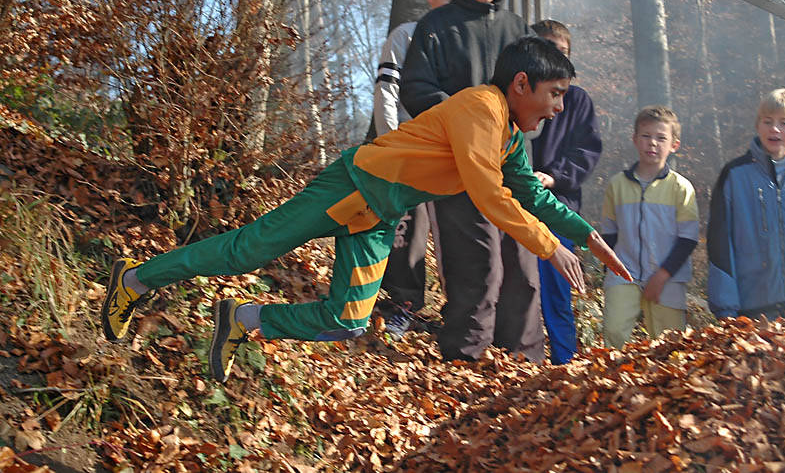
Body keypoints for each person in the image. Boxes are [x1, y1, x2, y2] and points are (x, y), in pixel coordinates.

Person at [101, 36, 632, 383]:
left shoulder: (512, 134)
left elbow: (530, 193)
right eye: (555, 94)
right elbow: (488, 194)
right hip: (354, 184)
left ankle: (242, 319)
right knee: (249, 250)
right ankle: (137, 279)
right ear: (521, 84)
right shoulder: (480, 107)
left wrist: (586, 237)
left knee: (348, 322)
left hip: (380, 213)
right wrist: (547, 244)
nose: (559, 107)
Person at [400, 0, 541, 362]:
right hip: (457, 168)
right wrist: (469, 121)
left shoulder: (519, 30)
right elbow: (415, 90)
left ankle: (524, 363)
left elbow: (538, 94)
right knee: (477, 268)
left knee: (523, 267)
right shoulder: (435, 27)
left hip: (511, 168)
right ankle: (466, 359)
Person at [369, 0, 458, 339]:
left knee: (457, 230)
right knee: (410, 224)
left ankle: (459, 312)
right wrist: (391, 142)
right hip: (408, 147)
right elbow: (387, 91)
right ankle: (401, 304)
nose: (454, 6)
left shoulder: (462, 43)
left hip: (453, 151)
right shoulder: (406, 35)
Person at [527, 20, 602, 364]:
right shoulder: (518, 92)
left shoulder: (578, 101)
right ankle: (519, 359)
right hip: (515, 206)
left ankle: (564, 362)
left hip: (558, 207)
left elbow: (587, 152)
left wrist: (554, 177)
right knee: (519, 288)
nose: (555, 57)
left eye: (563, 52)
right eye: (547, 48)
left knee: (557, 290)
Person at [600, 105, 698, 348]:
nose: (652, 143)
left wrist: (662, 275)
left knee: (669, 343)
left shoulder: (680, 187)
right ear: (635, 140)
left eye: (660, 138)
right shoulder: (617, 185)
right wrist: (610, 268)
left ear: (674, 145)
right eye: (646, 136)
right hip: (624, 273)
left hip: (668, 276)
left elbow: (688, 239)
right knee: (614, 333)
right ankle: (610, 384)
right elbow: (608, 234)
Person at [707, 88, 785, 320]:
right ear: (758, 126)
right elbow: (720, 245)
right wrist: (726, 308)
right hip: (754, 313)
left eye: (784, 122)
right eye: (767, 121)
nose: (775, 129)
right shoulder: (734, 175)